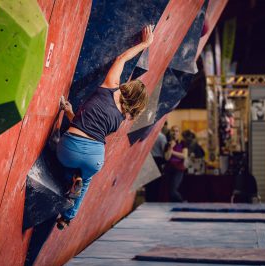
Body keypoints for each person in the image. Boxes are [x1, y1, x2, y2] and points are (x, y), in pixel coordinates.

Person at [55, 25, 154, 230]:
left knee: (63, 158)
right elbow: (91, 130)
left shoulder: (110, 87)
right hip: (95, 156)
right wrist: (69, 112)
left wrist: (145, 44)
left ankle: (72, 177)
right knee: (87, 180)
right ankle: (67, 217)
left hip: (70, 147)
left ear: (130, 86)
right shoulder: (119, 119)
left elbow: (121, 59)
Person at [164, 126, 188, 202]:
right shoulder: (168, 144)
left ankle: (182, 202)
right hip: (168, 169)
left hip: (179, 169)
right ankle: (174, 208)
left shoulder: (183, 143)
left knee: (173, 190)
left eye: (177, 131)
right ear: (170, 132)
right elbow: (167, 158)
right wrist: (171, 147)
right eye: (173, 131)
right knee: (169, 191)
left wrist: (172, 152)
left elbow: (184, 156)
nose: (175, 132)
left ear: (179, 132)